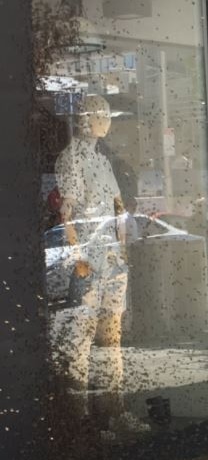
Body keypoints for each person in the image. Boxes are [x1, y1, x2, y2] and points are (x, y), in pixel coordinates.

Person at [53, 94, 149, 435]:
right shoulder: (71, 159)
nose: (107, 121)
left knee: (112, 335)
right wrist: (78, 258)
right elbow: (66, 216)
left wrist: (123, 250)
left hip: (111, 259)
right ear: (87, 118)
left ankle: (114, 409)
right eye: (102, 114)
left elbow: (117, 208)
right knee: (80, 338)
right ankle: (78, 418)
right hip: (89, 261)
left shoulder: (103, 160)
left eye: (108, 114)